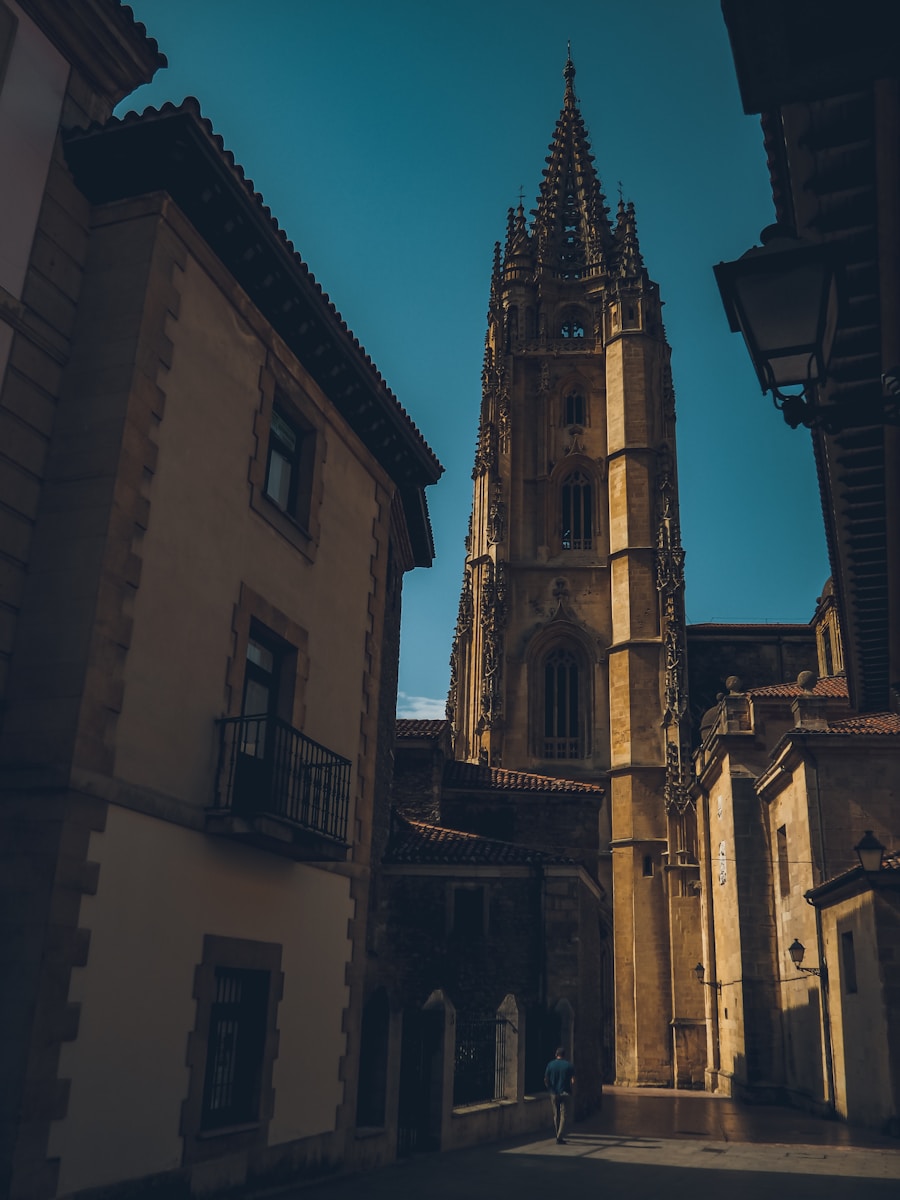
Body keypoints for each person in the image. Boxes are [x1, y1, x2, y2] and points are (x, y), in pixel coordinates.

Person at [543, 1046, 574, 1143]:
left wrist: (549, 1088)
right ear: (564, 1055)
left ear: (556, 1054)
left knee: (556, 1114)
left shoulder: (550, 1065)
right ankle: (559, 1135)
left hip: (554, 1092)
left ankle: (557, 1134)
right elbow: (573, 1080)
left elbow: (546, 1079)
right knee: (563, 1115)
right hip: (565, 1092)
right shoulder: (569, 1065)